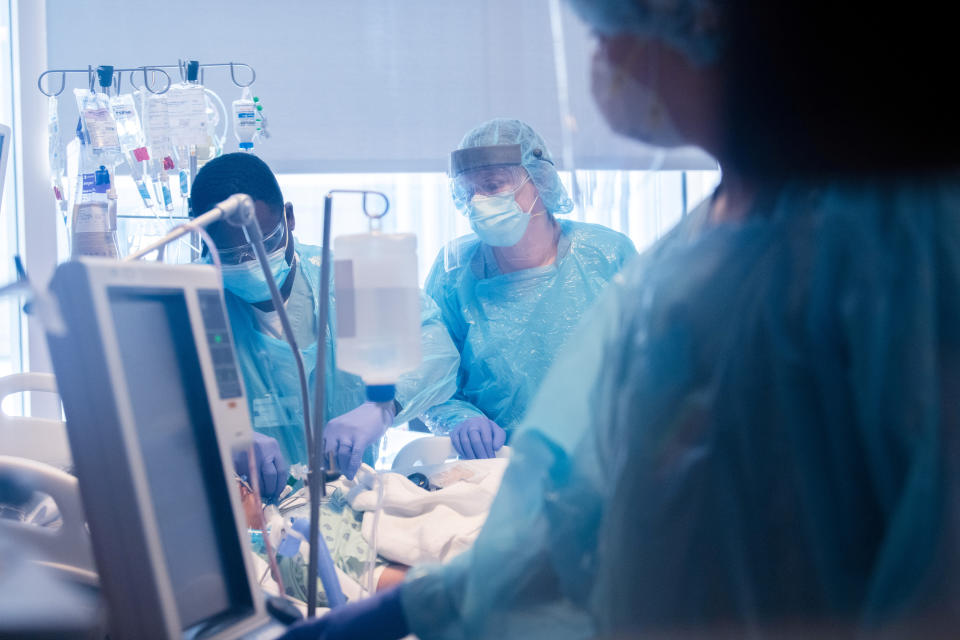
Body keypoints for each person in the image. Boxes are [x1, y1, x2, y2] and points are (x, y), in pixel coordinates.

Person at [282, 0, 960, 638]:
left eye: (612, 25)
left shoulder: (877, 242)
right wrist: (408, 607)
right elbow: (592, 505)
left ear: (706, 21)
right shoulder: (711, 240)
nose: (599, 54)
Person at [190, 153, 459, 489]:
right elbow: (154, 404)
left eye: (265, 243)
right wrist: (223, 434)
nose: (250, 261)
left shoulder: (349, 282)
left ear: (289, 218)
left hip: (346, 496)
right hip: (246, 505)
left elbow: (437, 350)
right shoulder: (190, 302)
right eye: (231, 256)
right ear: (203, 240)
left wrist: (383, 407)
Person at [422, 118, 637, 459]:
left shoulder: (606, 255)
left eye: (493, 185)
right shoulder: (453, 272)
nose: (478, 201)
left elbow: (650, 363)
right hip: (495, 466)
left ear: (539, 180)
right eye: (467, 192)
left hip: (602, 460)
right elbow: (430, 374)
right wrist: (461, 419)